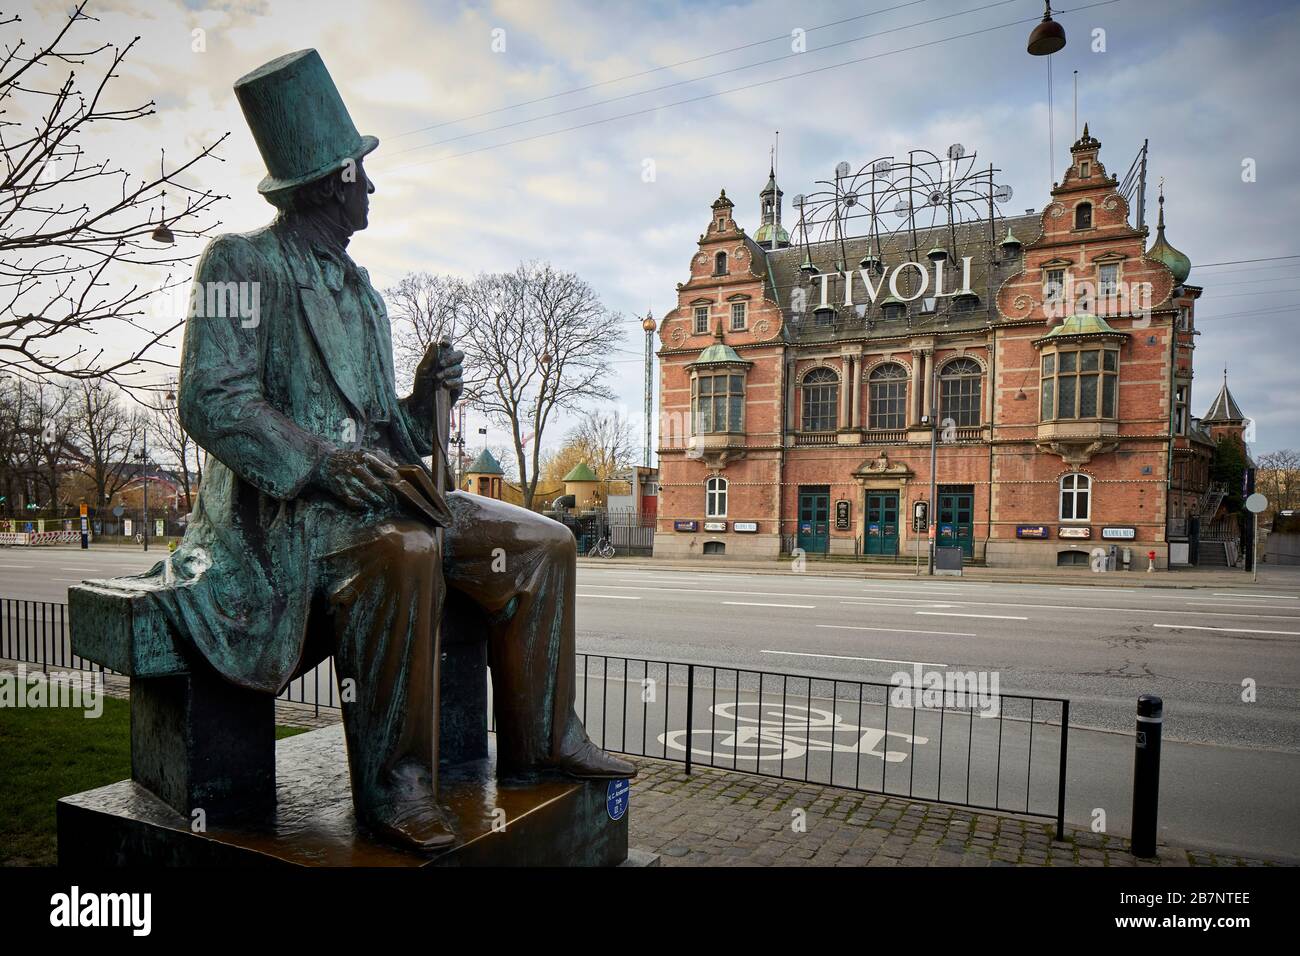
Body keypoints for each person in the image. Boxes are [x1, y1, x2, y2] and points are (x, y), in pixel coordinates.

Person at [152, 49, 633, 851]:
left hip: (376, 491)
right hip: (290, 521)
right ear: (331, 181)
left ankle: (542, 742)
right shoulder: (241, 262)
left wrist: (420, 398)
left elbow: (387, 435)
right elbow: (213, 399)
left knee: (542, 544)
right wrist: (321, 463)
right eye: (360, 174)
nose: (371, 188)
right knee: (402, 550)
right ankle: (396, 786)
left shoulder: (365, 295)